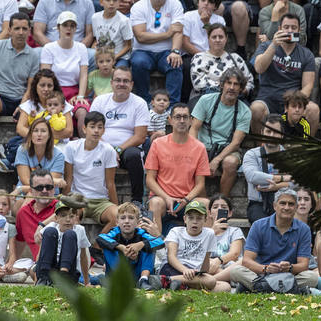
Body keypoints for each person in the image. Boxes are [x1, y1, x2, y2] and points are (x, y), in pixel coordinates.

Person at [230, 188, 318, 291]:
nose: (286, 207)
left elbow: (303, 265)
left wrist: (290, 268)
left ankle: (259, 288)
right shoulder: (258, 225)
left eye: (291, 204)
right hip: (262, 274)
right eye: (282, 203)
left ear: (296, 207)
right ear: (275, 206)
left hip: (288, 275)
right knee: (235, 271)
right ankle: (288, 289)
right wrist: (266, 268)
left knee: (312, 277)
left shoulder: (304, 229)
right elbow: (247, 261)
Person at [145, 103, 211, 235]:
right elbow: (150, 180)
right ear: (170, 120)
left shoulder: (199, 147)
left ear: (191, 121)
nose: (181, 121)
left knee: (206, 203)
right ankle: (157, 247)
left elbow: (200, 184)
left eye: (185, 117)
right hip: (162, 198)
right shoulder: (158, 144)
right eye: (178, 117)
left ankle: (204, 247)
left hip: (187, 200)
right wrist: (167, 198)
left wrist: (186, 200)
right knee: (156, 203)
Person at [89, 67, 150, 204]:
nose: (121, 84)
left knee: (134, 155)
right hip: (101, 146)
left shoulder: (139, 103)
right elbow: (91, 130)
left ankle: (137, 201)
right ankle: (94, 199)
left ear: (131, 84)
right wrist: (109, 150)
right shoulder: (100, 101)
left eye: (125, 81)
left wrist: (117, 149)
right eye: (118, 80)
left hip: (127, 149)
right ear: (111, 83)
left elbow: (140, 136)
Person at [250, 13, 319, 134]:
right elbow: (259, 68)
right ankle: (260, 148)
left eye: (293, 28)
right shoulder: (266, 46)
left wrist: (294, 104)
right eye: (286, 27)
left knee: (313, 109)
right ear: (279, 29)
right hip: (268, 98)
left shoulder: (306, 54)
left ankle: (308, 148)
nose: (289, 31)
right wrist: (274, 45)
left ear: (299, 30)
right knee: (255, 109)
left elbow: (308, 86)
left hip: (293, 100)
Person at [189, 68, 251, 197]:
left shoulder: (245, 111)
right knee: (191, 160)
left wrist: (216, 160)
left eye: (236, 84)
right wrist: (199, 154)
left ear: (241, 88)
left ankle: (223, 201)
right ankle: (204, 203)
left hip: (227, 149)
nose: (232, 87)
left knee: (231, 162)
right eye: (229, 83)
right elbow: (194, 129)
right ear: (222, 85)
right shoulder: (206, 100)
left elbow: (235, 143)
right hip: (202, 147)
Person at [0, 13, 39, 161]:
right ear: (9, 30)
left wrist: (23, 105)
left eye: (24, 28)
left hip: (20, 99)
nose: (20, 32)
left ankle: (17, 150)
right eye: (16, 28)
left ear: (29, 31)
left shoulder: (33, 55)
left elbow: (31, 85)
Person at [130, 0, 184, 104]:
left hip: (166, 52)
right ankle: (145, 103)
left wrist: (175, 51)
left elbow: (177, 31)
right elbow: (140, 36)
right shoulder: (138, 7)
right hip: (142, 51)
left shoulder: (175, 4)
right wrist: (166, 34)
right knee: (138, 63)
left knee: (175, 63)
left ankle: (172, 106)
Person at [63, 111, 119, 233]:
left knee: (118, 217)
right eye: (92, 127)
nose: (96, 131)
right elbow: (68, 179)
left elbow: (110, 183)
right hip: (78, 198)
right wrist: (64, 201)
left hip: (101, 201)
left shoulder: (108, 150)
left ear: (104, 130)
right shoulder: (71, 147)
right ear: (84, 128)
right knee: (70, 218)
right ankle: (76, 250)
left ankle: (97, 247)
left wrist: (117, 207)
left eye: (100, 127)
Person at [39, 11, 90, 131]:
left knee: (82, 111)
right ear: (58, 27)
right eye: (65, 25)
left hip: (75, 91)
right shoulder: (49, 48)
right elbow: (45, 77)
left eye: (72, 25)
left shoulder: (81, 48)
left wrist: (80, 96)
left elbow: (83, 75)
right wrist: (55, 96)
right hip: (53, 91)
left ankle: (82, 143)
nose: (69, 28)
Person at [96, 201, 165, 289]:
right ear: (117, 222)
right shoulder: (114, 232)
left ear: (138, 222)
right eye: (123, 218)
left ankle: (143, 280)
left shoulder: (141, 234)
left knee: (149, 245)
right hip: (116, 274)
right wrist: (121, 248)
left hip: (136, 273)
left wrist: (140, 244)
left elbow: (160, 241)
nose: (127, 221)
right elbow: (100, 238)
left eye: (131, 218)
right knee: (108, 246)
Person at [240, 114, 293, 222]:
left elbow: (300, 181)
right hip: (258, 204)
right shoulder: (252, 154)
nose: (271, 135)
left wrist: (278, 186)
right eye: (268, 132)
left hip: (284, 203)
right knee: (263, 225)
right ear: (262, 133)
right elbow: (252, 176)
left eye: (276, 132)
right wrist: (282, 178)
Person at [160, 200, 220, 291]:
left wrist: (202, 273)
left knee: (224, 286)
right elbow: (171, 257)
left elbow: (205, 261)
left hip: (193, 272)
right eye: (191, 218)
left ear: (205, 219)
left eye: (199, 218)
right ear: (185, 219)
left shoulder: (209, 234)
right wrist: (185, 270)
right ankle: (166, 280)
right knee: (210, 281)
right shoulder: (176, 231)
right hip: (172, 268)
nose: (194, 222)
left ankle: (174, 284)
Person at [189, 23, 253, 99]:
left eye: (221, 37)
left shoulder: (235, 58)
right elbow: (199, 84)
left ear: (226, 38)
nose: (217, 40)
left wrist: (241, 90)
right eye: (214, 37)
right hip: (206, 99)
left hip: (234, 99)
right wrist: (227, 89)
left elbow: (249, 81)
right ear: (208, 39)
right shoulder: (199, 58)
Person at [35, 200, 90, 286]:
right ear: (56, 218)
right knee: (50, 231)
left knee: (70, 234)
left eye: (71, 216)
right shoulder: (51, 226)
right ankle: (43, 278)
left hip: (69, 272)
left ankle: (64, 276)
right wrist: (37, 278)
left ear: (76, 218)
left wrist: (87, 282)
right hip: (50, 270)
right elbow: (42, 252)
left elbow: (83, 256)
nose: (68, 220)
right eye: (63, 216)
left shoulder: (80, 230)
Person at [13, 119, 66, 203]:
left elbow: (48, 186)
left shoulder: (59, 155)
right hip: (25, 192)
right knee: (29, 196)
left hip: (48, 195)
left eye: (43, 131)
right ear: (30, 134)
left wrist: (21, 188)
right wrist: (22, 189)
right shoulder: (22, 150)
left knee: (32, 196)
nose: (39, 134)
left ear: (49, 135)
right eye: (35, 131)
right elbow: (25, 180)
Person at [13, 169, 57, 259]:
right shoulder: (23, 212)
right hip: (38, 265)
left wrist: (42, 225)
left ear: (54, 189)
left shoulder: (61, 207)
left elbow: (70, 211)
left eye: (48, 187)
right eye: (39, 188)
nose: (45, 191)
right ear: (31, 191)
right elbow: (20, 243)